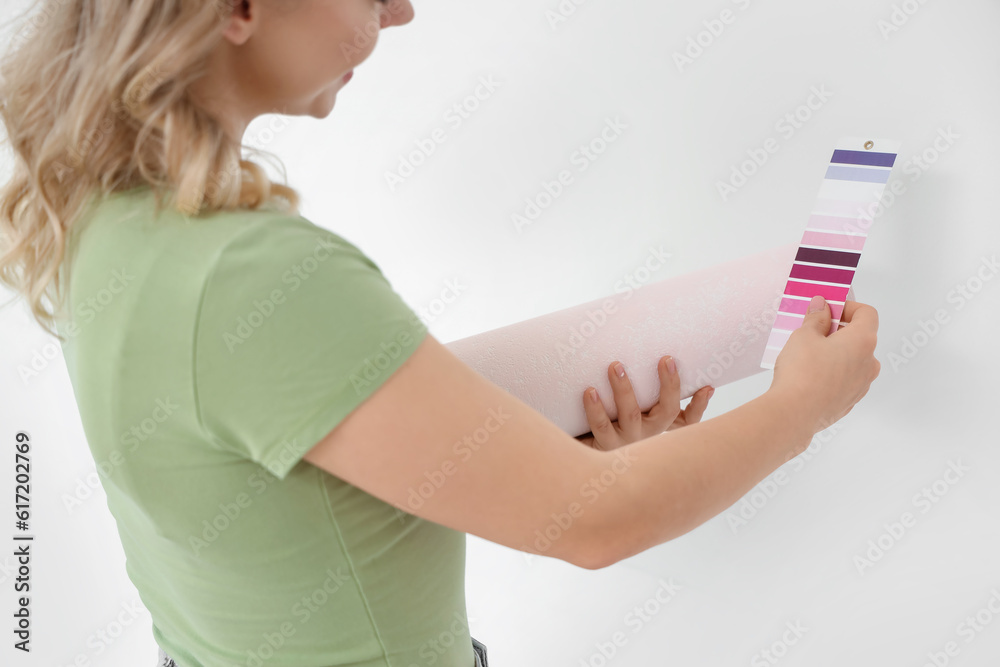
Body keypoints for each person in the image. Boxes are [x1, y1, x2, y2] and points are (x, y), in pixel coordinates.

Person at [0, 0, 881, 666]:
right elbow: (597, 522)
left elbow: (273, 441)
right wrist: (803, 403)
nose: (399, 10)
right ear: (237, 8)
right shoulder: (248, 273)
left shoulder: (110, 218)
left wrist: (541, 455)